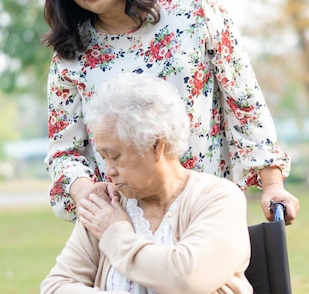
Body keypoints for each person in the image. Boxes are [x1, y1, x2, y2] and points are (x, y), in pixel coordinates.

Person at [36, 0, 300, 225]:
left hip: (209, 215)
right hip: (125, 229)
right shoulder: (70, 55)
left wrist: (272, 184)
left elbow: (244, 105)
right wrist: (84, 192)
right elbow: (65, 152)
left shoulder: (195, 11)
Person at [41, 72, 252, 293]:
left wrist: (114, 233)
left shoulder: (219, 198)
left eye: (115, 156)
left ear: (156, 145)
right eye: (104, 158)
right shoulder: (106, 205)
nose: (108, 171)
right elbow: (55, 287)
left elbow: (187, 279)